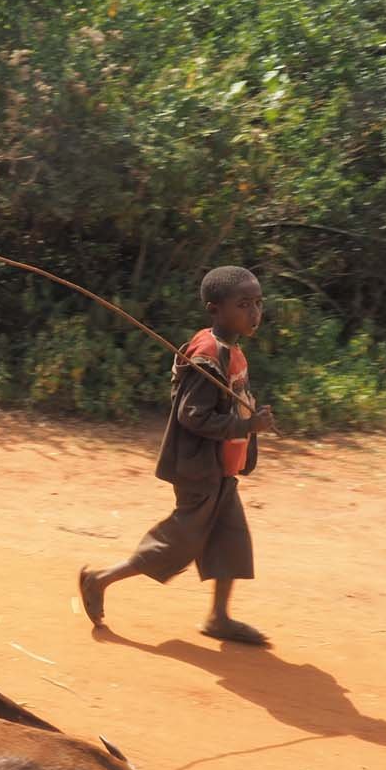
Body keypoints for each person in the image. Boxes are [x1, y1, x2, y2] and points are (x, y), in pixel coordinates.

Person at [78, 265, 277, 645]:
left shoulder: (231, 350)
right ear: (214, 308)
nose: (255, 313)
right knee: (178, 543)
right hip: (200, 471)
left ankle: (218, 617)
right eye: (244, 304)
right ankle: (99, 579)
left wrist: (249, 422)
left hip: (222, 470)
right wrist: (245, 428)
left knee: (230, 540)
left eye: (258, 303)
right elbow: (193, 415)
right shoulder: (206, 355)